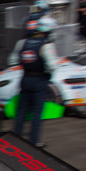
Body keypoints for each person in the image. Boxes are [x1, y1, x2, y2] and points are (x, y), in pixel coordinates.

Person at [11, 16, 60, 147]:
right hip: (39, 80)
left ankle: (16, 138)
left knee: (21, 111)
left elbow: (12, 61)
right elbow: (52, 66)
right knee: (37, 112)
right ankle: (34, 141)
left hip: (25, 79)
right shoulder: (47, 45)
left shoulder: (22, 43)